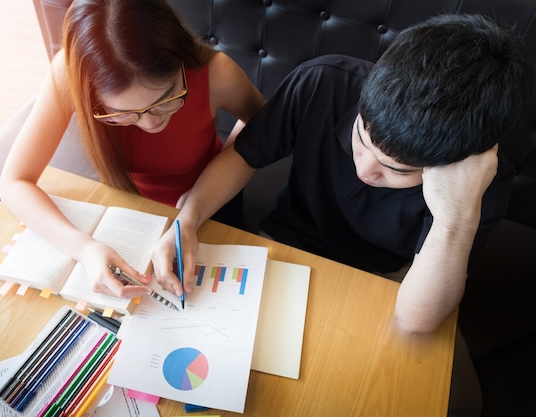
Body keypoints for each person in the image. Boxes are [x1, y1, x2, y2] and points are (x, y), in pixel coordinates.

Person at [151, 14, 533, 416]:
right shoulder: (324, 80)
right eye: (362, 139)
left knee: (453, 402)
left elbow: (416, 320)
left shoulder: (479, 182)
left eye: (397, 170)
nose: (365, 169)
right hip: (289, 243)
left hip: (389, 281)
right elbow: (245, 154)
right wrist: (187, 220)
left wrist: (456, 218)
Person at [0, 0, 264, 299]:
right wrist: (85, 248)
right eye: (123, 113)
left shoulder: (216, 72)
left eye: (165, 100)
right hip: (128, 208)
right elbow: (13, 182)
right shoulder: (69, 74)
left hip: (212, 200)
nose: (150, 123)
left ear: (180, 61)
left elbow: (263, 129)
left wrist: (193, 210)